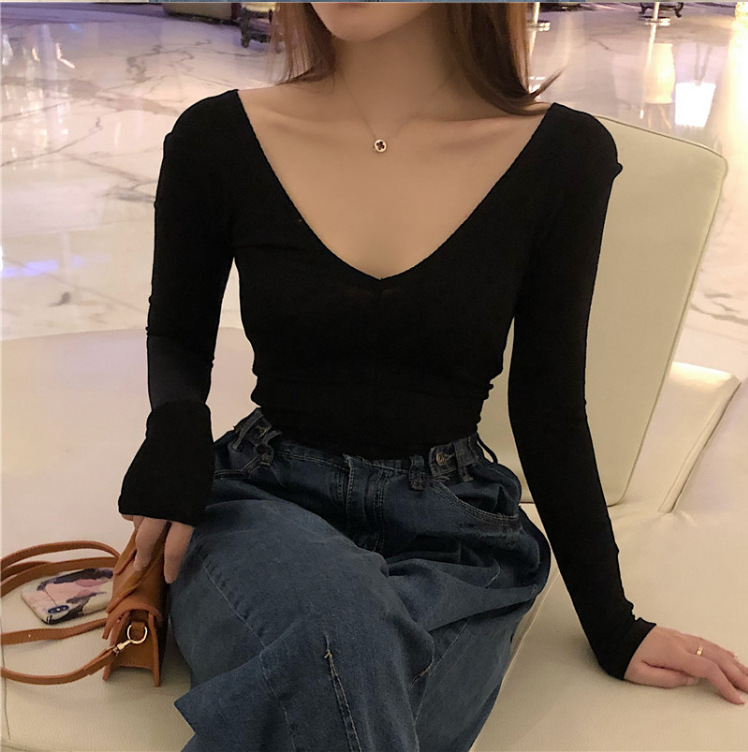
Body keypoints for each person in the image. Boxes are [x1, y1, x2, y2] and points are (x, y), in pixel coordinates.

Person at [118, 3, 748, 750]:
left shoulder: (562, 156)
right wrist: (176, 429)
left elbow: (548, 403)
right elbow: (178, 332)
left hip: (459, 534)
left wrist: (613, 624)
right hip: (263, 500)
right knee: (345, 643)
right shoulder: (219, 136)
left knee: (343, 673)